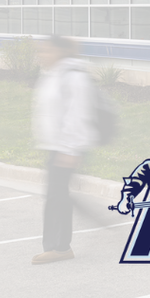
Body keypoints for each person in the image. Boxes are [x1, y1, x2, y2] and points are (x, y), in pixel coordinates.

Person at [31, 35, 97, 264]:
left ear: (60, 52)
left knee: (57, 198)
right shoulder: (55, 73)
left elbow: (78, 115)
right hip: (55, 146)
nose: (42, 55)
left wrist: (70, 149)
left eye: (47, 51)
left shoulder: (74, 76)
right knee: (56, 196)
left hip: (67, 147)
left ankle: (60, 248)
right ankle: (57, 246)